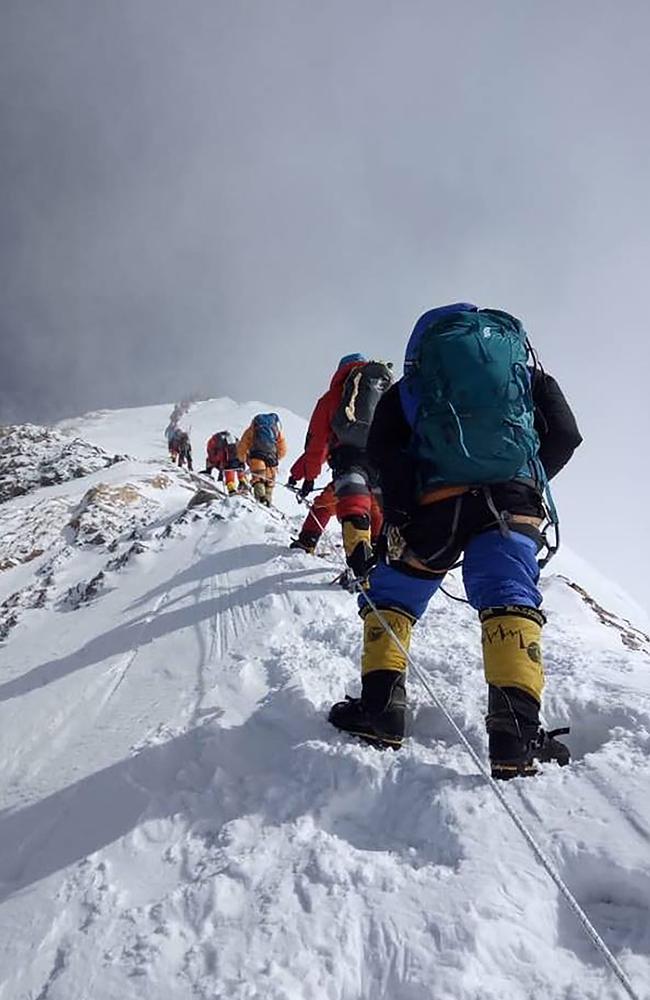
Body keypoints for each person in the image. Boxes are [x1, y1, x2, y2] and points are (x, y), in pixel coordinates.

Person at [328, 303, 583, 780]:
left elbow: (382, 450)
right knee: (509, 599)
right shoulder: (525, 378)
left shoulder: (413, 387)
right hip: (512, 504)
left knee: (393, 598)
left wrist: (404, 510)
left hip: (435, 507)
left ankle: (382, 712)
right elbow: (566, 435)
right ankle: (516, 737)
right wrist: (526, 481)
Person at [289, 354, 392, 575]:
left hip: (349, 462)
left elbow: (317, 445)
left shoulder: (332, 398)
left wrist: (307, 477)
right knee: (377, 507)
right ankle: (380, 560)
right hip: (382, 463)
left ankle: (313, 543)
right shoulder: (384, 394)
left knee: (331, 505)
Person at [288, 454, 383, 555]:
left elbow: (317, 451)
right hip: (379, 480)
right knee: (377, 512)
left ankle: (307, 541)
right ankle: (377, 550)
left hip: (350, 474)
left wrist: (297, 475)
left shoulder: (345, 437)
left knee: (323, 506)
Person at [237, 413, 287, 506]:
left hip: (256, 458)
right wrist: (277, 457)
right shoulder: (276, 431)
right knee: (269, 482)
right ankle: (267, 502)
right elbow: (283, 449)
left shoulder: (251, 430)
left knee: (258, 479)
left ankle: (261, 500)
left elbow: (242, 446)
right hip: (272, 460)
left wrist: (242, 459)